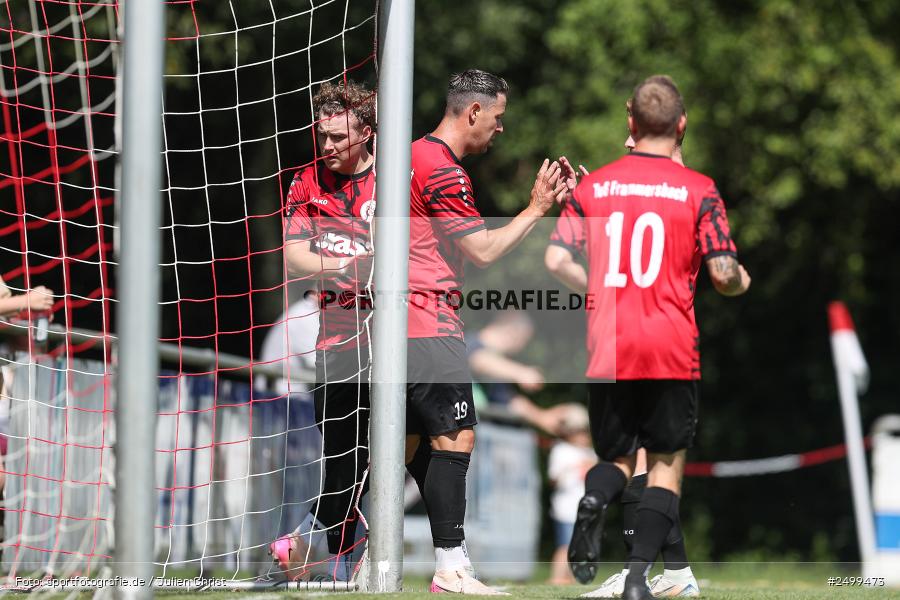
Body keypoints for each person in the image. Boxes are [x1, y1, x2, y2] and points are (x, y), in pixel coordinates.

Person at [544, 75, 750, 600]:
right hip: (670, 345)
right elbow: (724, 274)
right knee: (663, 467)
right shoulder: (698, 188)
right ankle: (639, 579)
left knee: (614, 463)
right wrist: (740, 279)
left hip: (610, 342)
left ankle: (594, 503)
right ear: (681, 125)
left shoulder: (595, 187)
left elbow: (555, 259)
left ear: (631, 124)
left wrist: (604, 287)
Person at [405, 69, 566, 595]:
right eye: (497, 118)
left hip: (397, 326)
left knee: (405, 449)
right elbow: (484, 249)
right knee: (455, 438)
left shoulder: (409, 154)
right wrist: (536, 209)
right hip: (429, 322)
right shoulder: (443, 171)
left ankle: (317, 543)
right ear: (472, 112)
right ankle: (451, 569)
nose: (500, 130)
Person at [269, 79, 376, 582]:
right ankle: (329, 552)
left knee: (387, 455)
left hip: (400, 342)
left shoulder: (395, 181)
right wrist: (342, 265)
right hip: (335, 342)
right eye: (323, 136)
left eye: (339, 137)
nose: (328, 146)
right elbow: (292, 254)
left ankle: (317, 544)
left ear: (368, 133)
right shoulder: (306, 181)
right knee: (344, 455)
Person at [547, 404, 597, 585]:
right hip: (565, 507)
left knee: (580, 545)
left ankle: (571, 577)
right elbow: (554, 478)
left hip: (585, 507)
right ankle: (557, 577)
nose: (583, 436)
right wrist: (574, 468)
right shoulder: (560, 450)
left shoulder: (590, 453)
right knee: (565, 545)